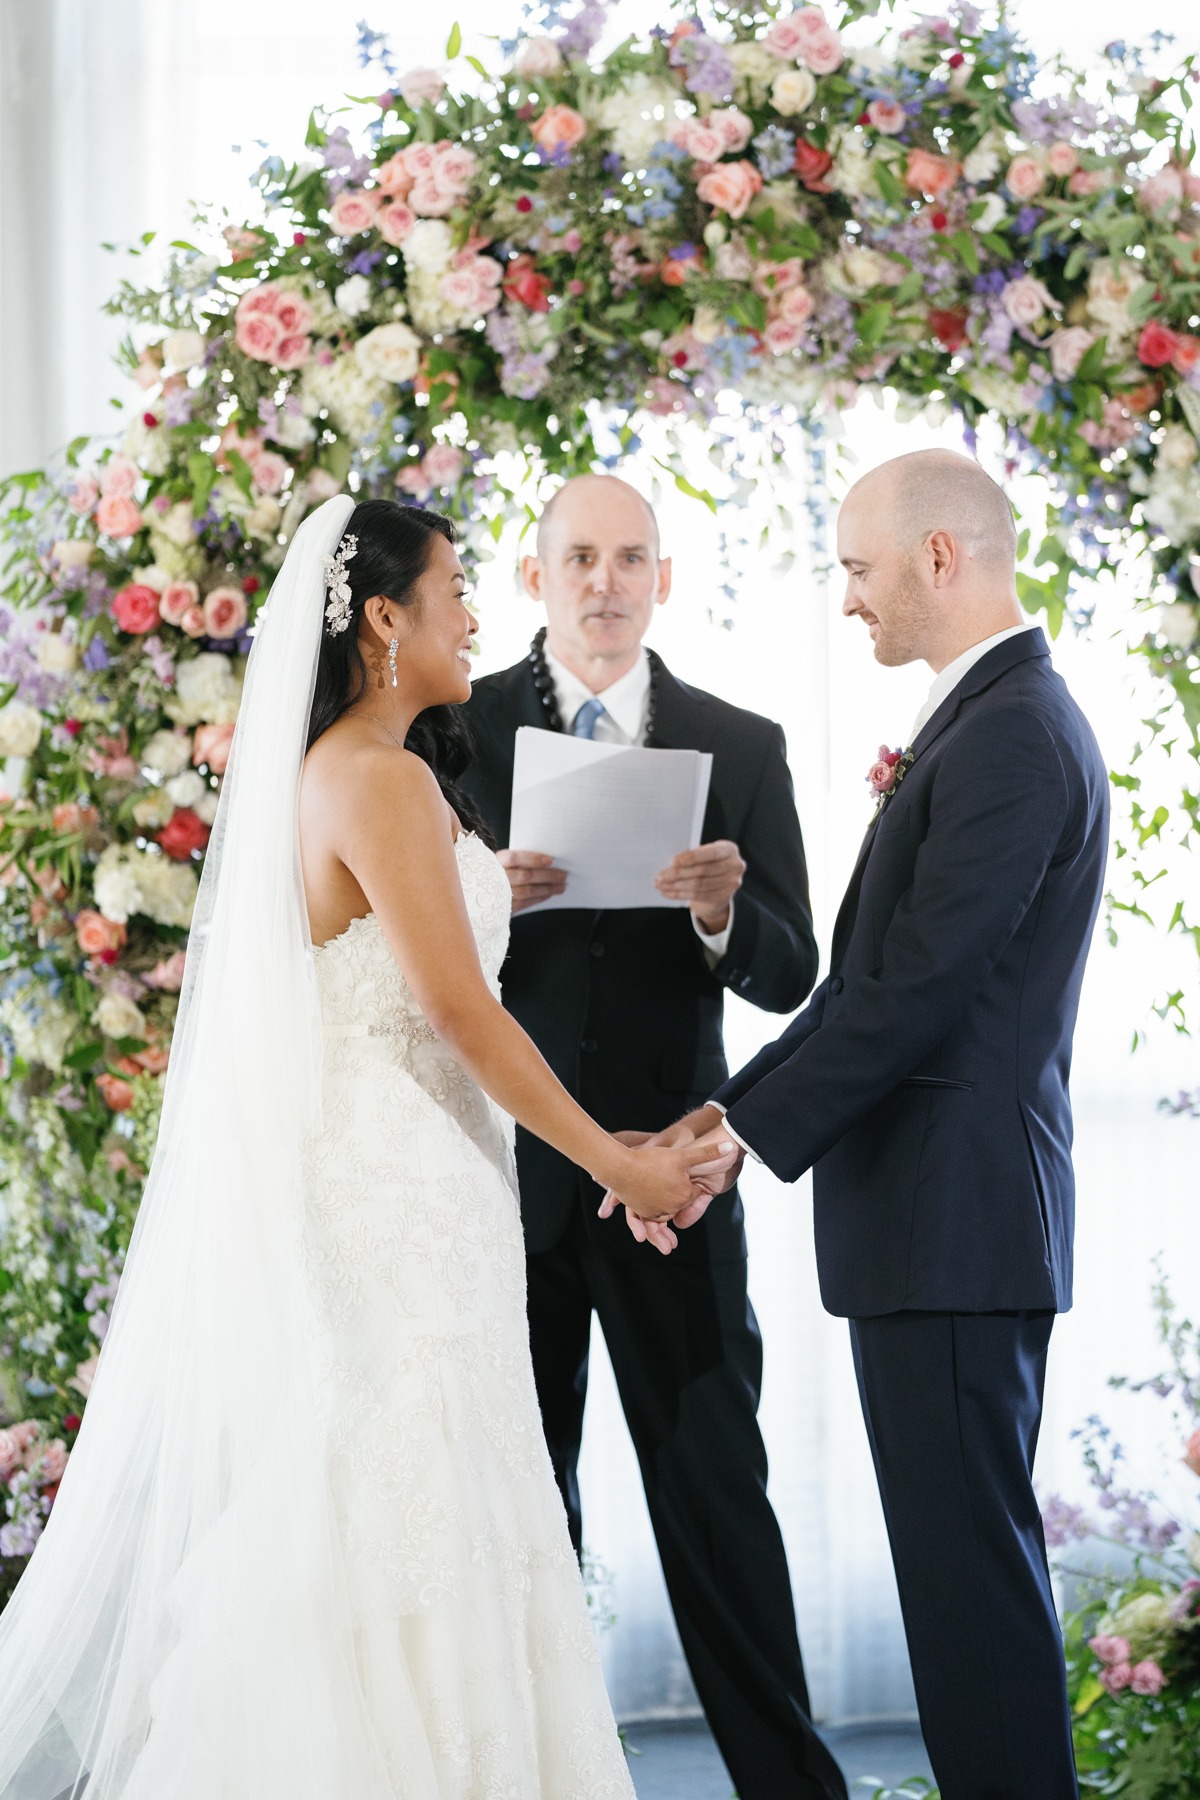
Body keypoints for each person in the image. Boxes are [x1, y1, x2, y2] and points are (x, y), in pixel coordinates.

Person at [0, 495, 736, 1799]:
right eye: (456, 590)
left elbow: (385, 957)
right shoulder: (383, 777)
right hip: (403, 1180)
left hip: (406, 1166)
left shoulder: (350, 770)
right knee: (426, 1483)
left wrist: (477, 885)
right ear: (386, 617)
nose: (475, 614)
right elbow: (458, 1012)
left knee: (411, 1474)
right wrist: (615, 1162)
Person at [612, 449, 1109, 1800]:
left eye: (857, 568)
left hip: (957, 1227)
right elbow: (870, 990)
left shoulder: (1011, 731)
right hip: (940, 1226)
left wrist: (726, 1145)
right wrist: (726, 1116)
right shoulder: (991, 719)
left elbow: (921, 993)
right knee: (964, 1598)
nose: (848, 602)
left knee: (972, 1608)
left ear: (939, 559)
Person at [463, 474, 848, 1800]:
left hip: (669, 1183)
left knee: (715, 1494)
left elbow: (796, 973)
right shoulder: (452, 734)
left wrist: (720, 917)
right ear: (536, 575)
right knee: (519, 1504)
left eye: (632, 559)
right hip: (495, 1181)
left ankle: (790, 1786)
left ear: (664, 581)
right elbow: (393, 958)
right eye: (580, 557)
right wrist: (484, 905)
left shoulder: (738, 744)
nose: (605, 583)